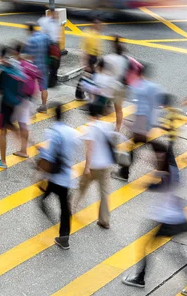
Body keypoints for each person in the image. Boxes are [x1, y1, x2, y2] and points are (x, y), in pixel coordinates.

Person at [122, 146, 187, 296]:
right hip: (176, 219)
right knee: (177, 253)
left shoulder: (168, 175)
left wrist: (146, 183)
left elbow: (157, 185)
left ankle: (140, 278)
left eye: (158, 157)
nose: (155, 159)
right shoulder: (173, 172)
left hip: (166, 220)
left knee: (146, 246)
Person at [38, 103, 78, 250]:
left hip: (55, 175)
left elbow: (48, 156)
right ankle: (64, 237)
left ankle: (51, 219)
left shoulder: (52, 132)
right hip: (67, 175)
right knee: (65, 207)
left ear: (53, 115)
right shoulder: (71, 132)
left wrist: (41, 174)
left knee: (44, 199)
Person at [116, 64, 162, 181]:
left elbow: (143, 109)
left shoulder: (141, 88)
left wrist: (138, 127)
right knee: (136, 146)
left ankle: (124, 173)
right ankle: (123, 172)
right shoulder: (154, 87)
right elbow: (156, 107)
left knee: (133, 147)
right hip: (149, 123)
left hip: (142, 124)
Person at [76, 103, 116, 228]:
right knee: (104, 194)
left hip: (94, 166)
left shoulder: (90, 129)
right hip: (105, 166)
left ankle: (71, 207)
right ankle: (104, 220)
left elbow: (90, 150)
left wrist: (87, 167)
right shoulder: (108, 126)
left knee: (82, 187)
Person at [0, 48, 24, 169]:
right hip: (14, 103)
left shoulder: (3, 72)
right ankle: (22, 140)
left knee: (2, 132)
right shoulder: (15, 68)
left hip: (4, 104)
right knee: (9, 124)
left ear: (1, 57)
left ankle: (3, 161)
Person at [11, 43, 42, 158]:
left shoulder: (19, 66)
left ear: (17, 52)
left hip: (21, 99)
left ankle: (25, 149)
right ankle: (27, 147)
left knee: (18, 124)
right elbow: (37, 79)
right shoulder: (30, 65)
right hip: (28, 98)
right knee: (23, 124)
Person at [103, 36, 131, 132]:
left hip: (110, 86)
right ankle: (117, 128)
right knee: (118, 109)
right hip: (121, 87)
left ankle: (103, 125)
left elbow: (106, 72)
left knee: (103, 105)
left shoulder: (109, 58)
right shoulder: (125, 59)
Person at [23, 22, 50, 113]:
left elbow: (27, 55)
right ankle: (44, 105)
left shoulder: (30, 40)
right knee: (44, 87)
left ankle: (29, 108)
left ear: (29, 30)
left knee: (29, 86)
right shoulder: (44, 37)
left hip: (33, 68)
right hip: (44, 66)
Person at [77, 19, 103, 100]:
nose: (100, 27)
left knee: (88, 77)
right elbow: (84, 50)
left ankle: (80, 94)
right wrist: (85, 63)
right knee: (90, 77)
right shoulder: (88, 34)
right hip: (89, 58)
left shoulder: (94, 33)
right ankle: (81, 94)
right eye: (99, 25)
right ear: (94, 24)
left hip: (93, 58)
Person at [38, 9, 61, 88]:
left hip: (56, 45)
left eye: (57, 14)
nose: (56, 15)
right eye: (55, 14)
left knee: (56, 64)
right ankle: (50, 82)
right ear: (51, 13)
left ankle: (53, 80)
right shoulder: (45, 21)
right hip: (50, 45)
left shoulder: (56, 22)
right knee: (52, 64)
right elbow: (43, 32)